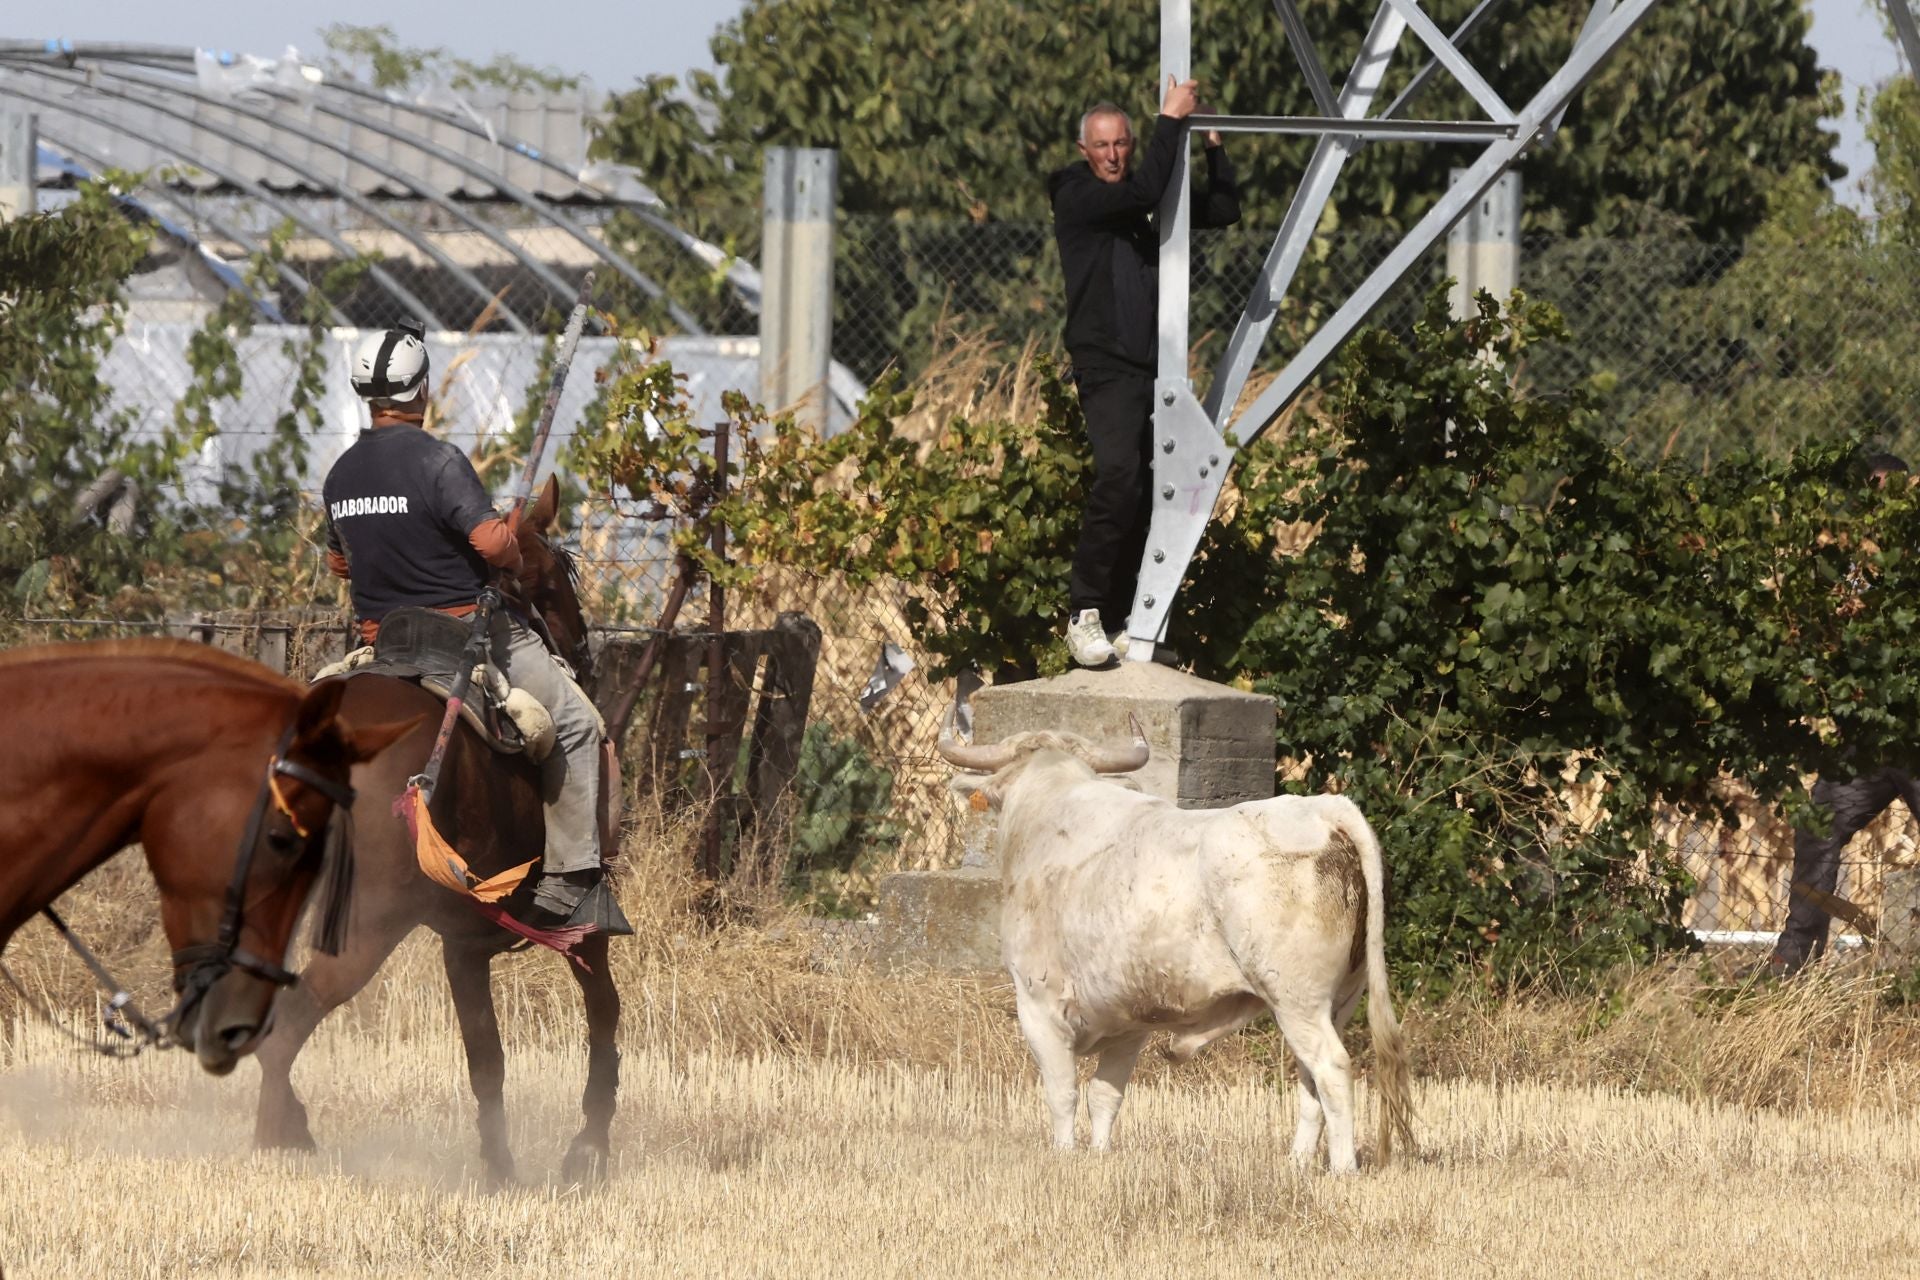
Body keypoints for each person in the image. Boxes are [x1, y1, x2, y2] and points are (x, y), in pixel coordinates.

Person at [322, 321, 608, 929]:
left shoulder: (340, 475)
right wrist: (504, 534)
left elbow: (338, 562)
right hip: (462, 634)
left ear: (367, 398)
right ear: (421, 392)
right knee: (579, 723)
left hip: (381, 645)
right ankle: (570, 882)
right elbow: (495, 548)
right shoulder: (440, 460)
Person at [1049, 75, 1241, 667]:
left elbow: (1225, 210)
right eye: (1102, 146)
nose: (1112, 156)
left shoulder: (1142, 200)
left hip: (1155, 369)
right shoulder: (1077, 195)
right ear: (1085, 150)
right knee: (1117, 474)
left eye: (1122, 145)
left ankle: (1138, 618)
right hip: (1103, 363)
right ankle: (1083, 613)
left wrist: (1212, 147)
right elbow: (1146, 189)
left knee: (1152, 489)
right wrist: (1171, 120)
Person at [1766, 452, 1914, 976]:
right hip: (1870, 738)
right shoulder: (1852, 560)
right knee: (1818, 825)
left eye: (1888, 488)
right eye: (1869, 489)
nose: (1877, 497)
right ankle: (1793, 959)